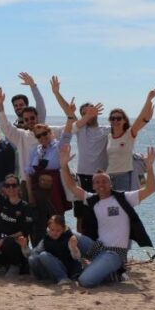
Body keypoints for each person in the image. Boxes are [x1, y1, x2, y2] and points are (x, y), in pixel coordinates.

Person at [59, 144, 155, 287]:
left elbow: (150, 189)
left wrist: (149, 167)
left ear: (111, 183)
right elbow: (72, 186)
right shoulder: (93, 200)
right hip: (97, 247)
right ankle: (79, 266)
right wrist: (64, 165)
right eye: (97, 182)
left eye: (104, 181)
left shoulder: (124, 198)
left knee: (85, 281)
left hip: (115, 253)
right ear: (93, 186)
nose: (101, 184)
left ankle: (113, 272)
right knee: (66, 233)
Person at [50, 76, 109, 231]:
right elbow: (69, 113)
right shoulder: (81, 129)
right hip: (82, 177)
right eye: (84, 113)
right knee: (81, 215)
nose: (87, 115)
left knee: (100, 214)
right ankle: (82, 247)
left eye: (90, 112)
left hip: (101, 178)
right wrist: (57, 93)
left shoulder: (106, 130)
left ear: (97, 112)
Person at [107, 87, 155, 191]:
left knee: (124, 206)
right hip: (108, 177)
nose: (115, 121)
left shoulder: (129, 134)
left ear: (124, 121)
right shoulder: (108, 136)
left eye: (119, 118)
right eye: (113, 118)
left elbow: (140, 118)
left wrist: (148, 100)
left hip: (124, 177)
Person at [29, 215, 83, 285]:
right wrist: (24, 246)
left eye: (58, 230)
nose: (54, 233)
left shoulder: (69, 238)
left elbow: (77, 257)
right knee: (32, 258)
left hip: (64, 268)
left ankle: (63, 278)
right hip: (50, 270)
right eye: (52, 230)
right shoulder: (46, 238)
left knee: (44, 255)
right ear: (48, 229)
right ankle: (42, 278)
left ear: (63, 229)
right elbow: (34, 253)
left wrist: (74, 248)